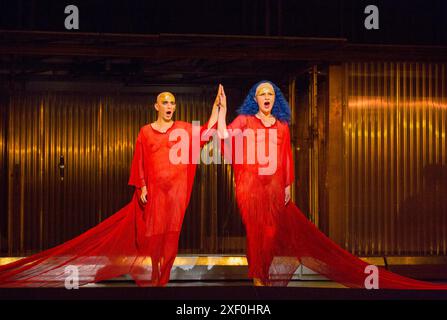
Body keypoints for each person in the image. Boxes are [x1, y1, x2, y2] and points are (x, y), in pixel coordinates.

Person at [217, 80, 447, 289]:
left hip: (275, 187)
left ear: (274, 98)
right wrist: (222, 110)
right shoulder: (245, 120)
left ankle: (263, 274)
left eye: (270, 93)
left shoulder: (282, 126)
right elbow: (225, 136)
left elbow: (286, 156)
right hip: (251, 187)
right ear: (255, 99)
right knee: (257, 232)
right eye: (262, 94)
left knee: (271, 232)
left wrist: (287, 186)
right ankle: (259, 277)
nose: (266, 96)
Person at [0, 88, 221, 287]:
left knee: (170, 239)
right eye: (165, 102)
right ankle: (155, 278)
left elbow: (206, 132)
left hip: (174, 197)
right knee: (153, 239)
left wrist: (218, 107)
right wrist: (142, 186)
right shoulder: (145, 132)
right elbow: (140, 162)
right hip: (153, 196)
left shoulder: (182, 129)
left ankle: (161, 282)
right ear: (156, 106)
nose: (169, 106)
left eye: (172, 103)